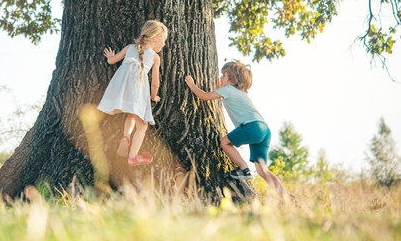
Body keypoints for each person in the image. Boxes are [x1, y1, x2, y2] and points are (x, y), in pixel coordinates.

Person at [184, 60, 290, 201]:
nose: (220, 78)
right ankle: (286, 196)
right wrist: (219, 87)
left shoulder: (227, 90)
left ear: (232, 80)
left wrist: (191, 84)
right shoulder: (239, 93)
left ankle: (243, 168)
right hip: (264, 129)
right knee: (262, 170)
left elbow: (204, 96)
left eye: (223, 76)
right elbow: (226, 97)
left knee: (224, 142)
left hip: (251, 127)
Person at [98, 20, 168, 166]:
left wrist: (110, 56)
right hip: (137, 89)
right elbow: (155, 83)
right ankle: (132, 157)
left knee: (131, 114)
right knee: (142, 126)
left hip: (121, 88)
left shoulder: (130, 47)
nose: (164, 44)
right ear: (155, 39)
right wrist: (153, 96)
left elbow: (111, 61)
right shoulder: (155, 57)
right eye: (163, 41)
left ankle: (125, 137)